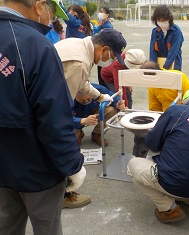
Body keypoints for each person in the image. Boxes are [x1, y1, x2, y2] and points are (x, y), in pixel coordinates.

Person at [0, 0, 86, 234]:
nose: (50, 21)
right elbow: (54, 120)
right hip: (39, 173)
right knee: (47, 228)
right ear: (39, 6)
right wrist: (74, 165)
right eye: (51, 13)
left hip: (3, 170)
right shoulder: (36, 45)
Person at [127, 89, 189, 224]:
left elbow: (152, 143)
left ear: (184, 102)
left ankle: (168, 209)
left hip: (175, 182)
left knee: (133, 165)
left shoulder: (177, 111)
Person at [54, 27, 126, 208]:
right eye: (111, 55)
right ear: (104, 49)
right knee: (61, 151)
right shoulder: (80, 62)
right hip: (42, 109)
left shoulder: (78, 44)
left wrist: (101, 96)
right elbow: (60, 105)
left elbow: (83, 83)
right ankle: (62, 194)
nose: (110, 60)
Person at [149, 5, 184, 71]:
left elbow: (174, 51)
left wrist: (165, 67)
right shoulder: (155, 32)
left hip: (174, 64)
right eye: (159, 20)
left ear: (169, 19)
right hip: (159, 65)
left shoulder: (176, 31)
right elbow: (152, 50)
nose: (161, 22)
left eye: (164, 20)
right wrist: (153, 66)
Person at [94, 6, 114, 87]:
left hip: (104, 53)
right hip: (100, 52)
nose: (100, 14)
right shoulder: (102, 25)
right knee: (101, 75)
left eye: (102, 12)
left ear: (107, 15)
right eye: (100, 11)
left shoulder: (108, 26)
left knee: (103, 75)